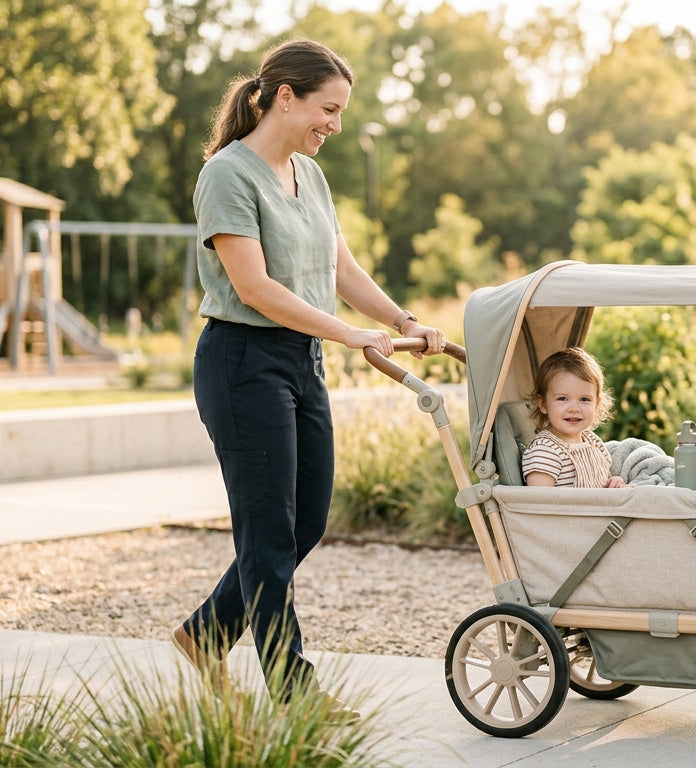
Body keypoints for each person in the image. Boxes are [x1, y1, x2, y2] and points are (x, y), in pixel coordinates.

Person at [170, 38, 445, 711]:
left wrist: (403, 319)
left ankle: (206, 634)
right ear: (283, 97)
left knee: (305, 522)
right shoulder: (228, 175)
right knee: (266, 534)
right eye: (329, 108)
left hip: (300, 362)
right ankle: (297, 695)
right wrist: (350, 332)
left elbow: (341, 270)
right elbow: (256, 288)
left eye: (342, 112)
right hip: (242, 362)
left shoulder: (310, 176)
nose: (336, 125)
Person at [521, 347, 628, 488]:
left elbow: (602, 484)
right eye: (562, 398)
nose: (574, 408)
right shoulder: (544, 452)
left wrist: (614, 483)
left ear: (597, 404)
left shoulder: (594, 443)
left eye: (584, 399)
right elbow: (541, 504)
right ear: (543, 404)